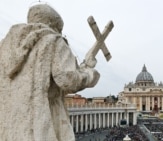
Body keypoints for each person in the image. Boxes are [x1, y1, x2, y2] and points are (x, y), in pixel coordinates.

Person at [0, 4, 100, 141]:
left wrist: (82, 66)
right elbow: (67, 80)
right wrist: (89, 73)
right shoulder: (53, 41)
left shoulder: (4, 49)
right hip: (43, 121)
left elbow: (50, 83)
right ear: (54, 25)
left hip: (12, 126)